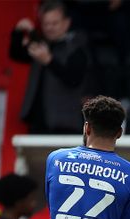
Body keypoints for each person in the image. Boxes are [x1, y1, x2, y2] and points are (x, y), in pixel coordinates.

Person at [9, 1, 94, 134]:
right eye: (46, 24)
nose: (50, 28)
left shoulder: (76, 49)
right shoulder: (40, 44)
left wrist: (49, 61)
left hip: (65, 124)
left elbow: (74, 80)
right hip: (38, 122)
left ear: (66, 23)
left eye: (54, 23)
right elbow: (16, 54)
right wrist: (18, 32)